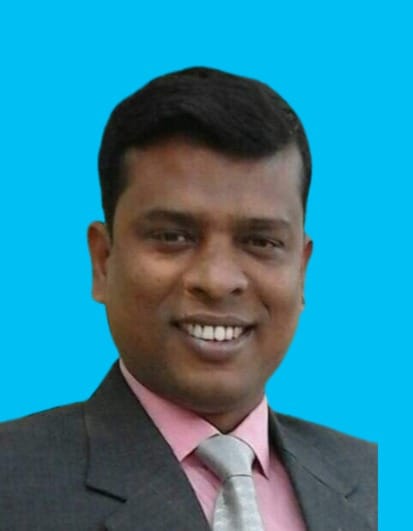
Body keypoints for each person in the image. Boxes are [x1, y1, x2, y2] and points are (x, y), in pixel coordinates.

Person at [0, 67, 377, 530]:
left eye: (260, 241)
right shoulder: (12, 482)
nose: (217, 281)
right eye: (173, 236)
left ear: (301, 271)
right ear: (103, 262)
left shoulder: (377, 481)